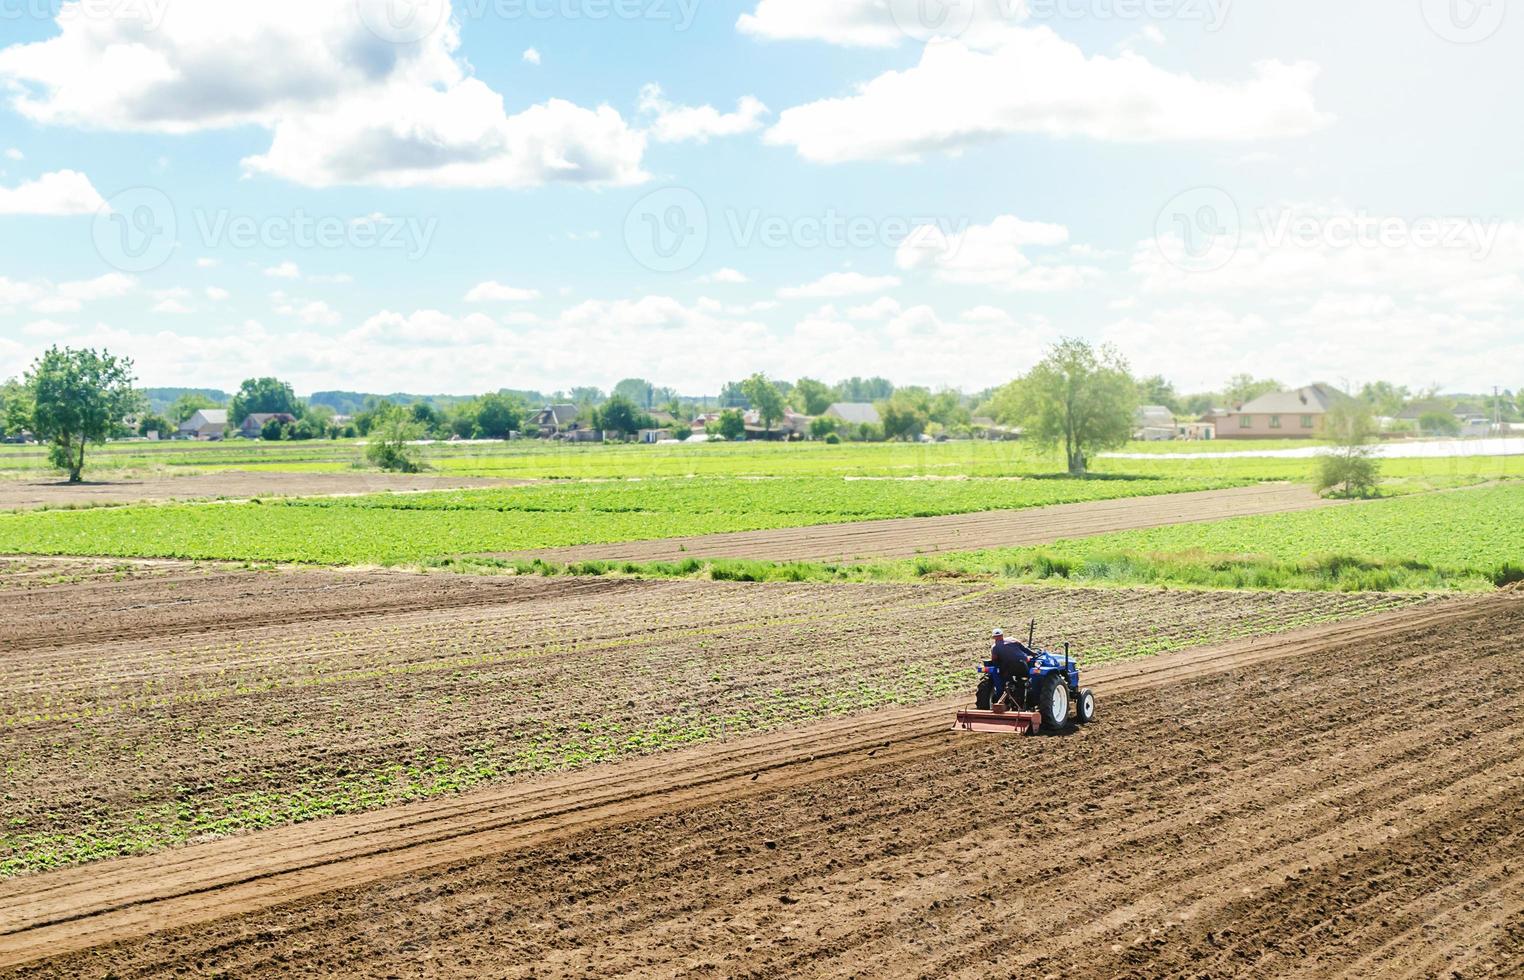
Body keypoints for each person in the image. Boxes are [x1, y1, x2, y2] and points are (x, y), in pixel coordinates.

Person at [977, 628, 1035, 709]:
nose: (997, 638)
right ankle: (1023, 697)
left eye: (997, 637)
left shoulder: (995, 647)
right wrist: (1033, 654)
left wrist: (999, 667)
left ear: (994, 637)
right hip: (1022, 664)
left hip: (1009, 668)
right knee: (1028, 679)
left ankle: (1011, 693)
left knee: (1007, 679)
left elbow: (994, 660)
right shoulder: (1013, 640)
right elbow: (1025, 649)